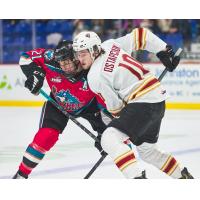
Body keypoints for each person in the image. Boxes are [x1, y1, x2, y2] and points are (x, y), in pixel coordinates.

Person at [73, 28, 194, 179]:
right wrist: (163, 50)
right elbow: (141, 35)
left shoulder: (94, 77)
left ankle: (137, 180)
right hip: (157, 99)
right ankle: (184, 177)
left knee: (109, 138)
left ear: (94, 50)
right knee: (148, 151)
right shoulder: (109, 45)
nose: (79, 58)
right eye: (78, 54)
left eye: (83, 53)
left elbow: (116, 109)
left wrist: (116, 143)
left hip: (142, 103)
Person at [13, 40, 112, 179]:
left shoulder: (92, 69)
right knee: (46, 136)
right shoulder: (50, 58)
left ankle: (135, 175)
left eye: (67, 62)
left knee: (113, 139)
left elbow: (107, 99)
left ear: (77, 58)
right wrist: (35, 74)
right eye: (61, 63)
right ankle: (21, 175)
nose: (64, 66)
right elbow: (25, 57)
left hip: (91, 106)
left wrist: (108, 131)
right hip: (57, 104)